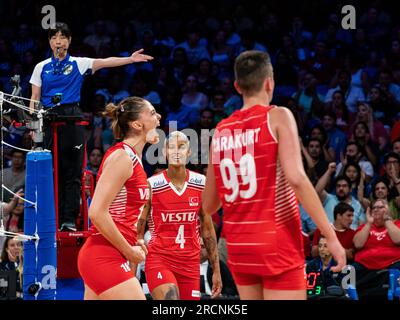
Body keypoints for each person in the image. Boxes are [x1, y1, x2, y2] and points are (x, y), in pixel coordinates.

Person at [202, 50, 346, 300]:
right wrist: (330, 235)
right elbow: (298, 178)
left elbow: (209, 205)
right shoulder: (278, 116)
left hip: (239, 246)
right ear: (270, 82)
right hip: (276, 241)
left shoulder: (221, 131)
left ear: (237, 86)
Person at [29, 22, 153, 231]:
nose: (58, 41)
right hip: (48, 121)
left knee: (73, 172)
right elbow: (34, 98)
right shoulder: (41, 67)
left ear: (69, 41)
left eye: (62, 37)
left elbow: (105, 62)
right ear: (50, 42)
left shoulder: (80, 63)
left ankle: (68, 219)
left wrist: (130, 59)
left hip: (73, 119)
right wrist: (34, 126)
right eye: (54, 37)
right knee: (50, 172)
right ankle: (51, 219)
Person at [77, 97, 161, 300]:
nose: (158, 117)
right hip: (103, 255)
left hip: (110, 254)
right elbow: (96, 212)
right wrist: (129, 251)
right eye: (152, 113)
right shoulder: (122, 157)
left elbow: (122, 214)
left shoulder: (134, 159)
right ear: (137, 124)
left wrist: (134, 241)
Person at [138, 131, 222, 300]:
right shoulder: (152, 185)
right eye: (171, 147)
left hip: (190, 264)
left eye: (181, 147)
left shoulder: (201, 183)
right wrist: (133, 271)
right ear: (164, 153)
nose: (176, 151)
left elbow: (207, 230)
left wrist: (216, 271)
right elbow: (138, 233)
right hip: (160, 259)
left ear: (189, 152)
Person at [353, 199, 400, 299]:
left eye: (380, 207)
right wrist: (369, 223)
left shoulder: (397, 224)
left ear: (388, 209)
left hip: (390, 268)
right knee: (352, 270)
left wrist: (387, 219)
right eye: (374, 208)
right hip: (365, 269)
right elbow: (357, 244)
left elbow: (398, 239)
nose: (376, 210)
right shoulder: (365, 227)